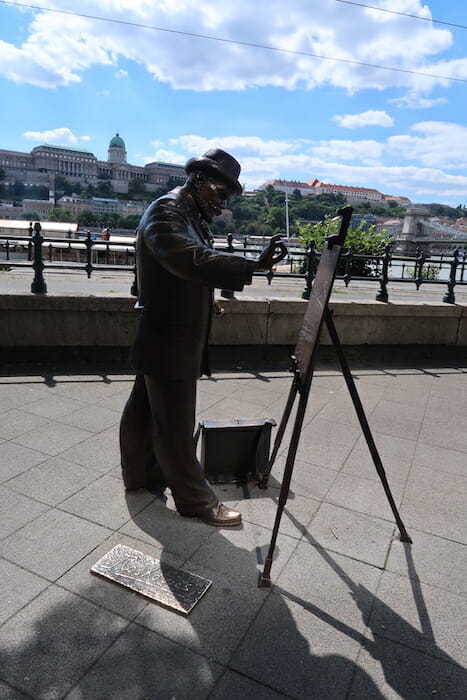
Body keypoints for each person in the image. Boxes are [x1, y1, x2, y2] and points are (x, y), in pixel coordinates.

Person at [119, 148, 287, 527]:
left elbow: (182, 272)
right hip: (169, 335)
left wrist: (204, 303)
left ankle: (140, 477)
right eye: (221, 192)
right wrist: (253, 265)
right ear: (198, 181)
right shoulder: (168, 211)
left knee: (145, 410)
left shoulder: (188, 213)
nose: (223, 202)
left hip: (165, 331)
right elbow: (186, 259)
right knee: (176, 424)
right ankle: (196, 502)